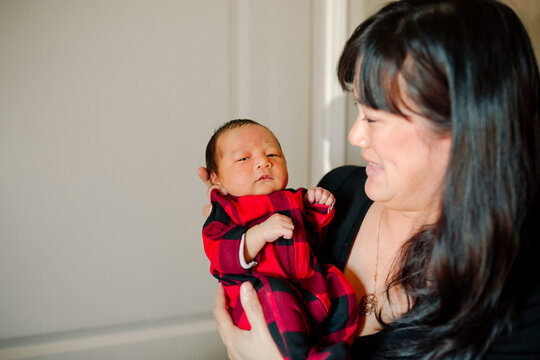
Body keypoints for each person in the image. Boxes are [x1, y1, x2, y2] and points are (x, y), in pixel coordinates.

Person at [199, 0, 540, 358]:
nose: (354, 135)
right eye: (357, 108)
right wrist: (237, 210)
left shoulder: (520, 291)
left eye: (374, 118)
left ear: (466, 128)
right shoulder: (337, 192)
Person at [202, 119, 359, 359]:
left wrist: (318, 205)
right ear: (216, 179)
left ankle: (334, 347)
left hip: (308, 288)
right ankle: (302, 356)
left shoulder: (293, 198)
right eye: (244, 159)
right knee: (274, 292)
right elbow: (219, 253)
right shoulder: (226, 209)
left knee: (340, 286)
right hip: (261, 296)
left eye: (273, 154)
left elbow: (313, 237)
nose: (264, 162)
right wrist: (259, 233)